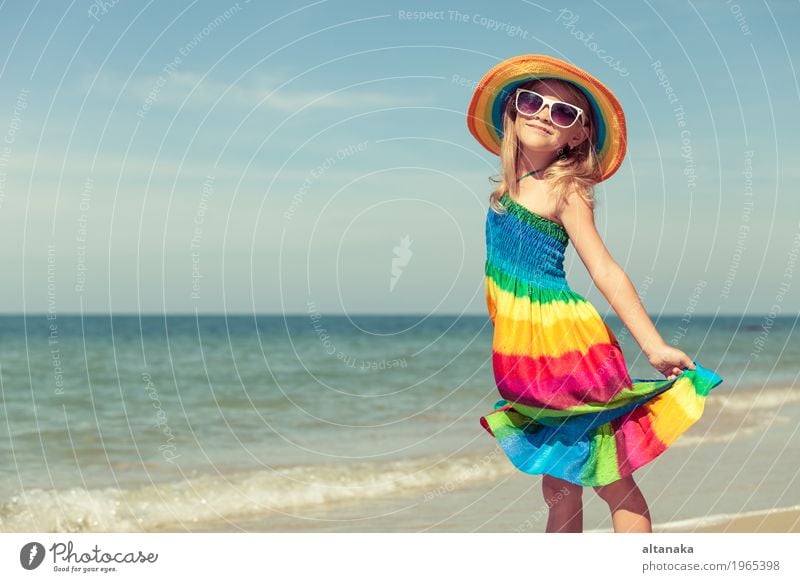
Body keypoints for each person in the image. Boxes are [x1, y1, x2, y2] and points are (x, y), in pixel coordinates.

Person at [466, 55, 723, 533]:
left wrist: (653, 346)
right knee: (559, 486)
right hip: (528, 355)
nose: (545, 113)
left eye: (563, 112)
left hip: (565, 347)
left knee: (610, 477)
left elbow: (604, 269)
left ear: (577, 136)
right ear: (513, 111)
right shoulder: (508, 189)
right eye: (533, 101)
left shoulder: (565, 189)